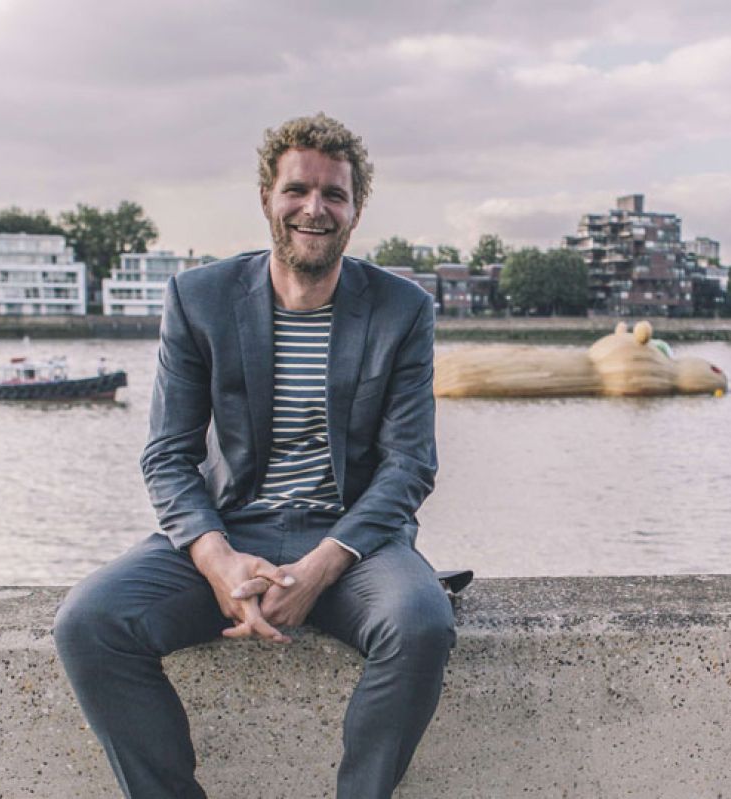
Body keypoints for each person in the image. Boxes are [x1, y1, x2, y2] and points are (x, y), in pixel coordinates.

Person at [54, 113, 455, 799]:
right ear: (267, 198)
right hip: (231, 526)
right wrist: (217, 559)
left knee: (420, 624)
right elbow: (169, 456)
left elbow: (408, 464)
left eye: (334, 194)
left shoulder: (401, 308)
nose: (314, 208)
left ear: (355, 210)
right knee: (89, 623)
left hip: (353, 540)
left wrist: (322, 564)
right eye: (296, 189)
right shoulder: (199, 298)